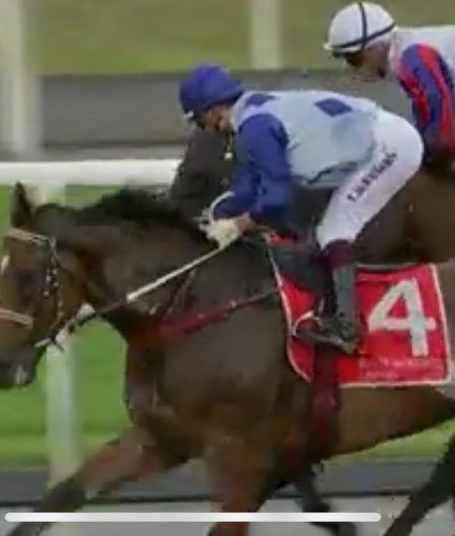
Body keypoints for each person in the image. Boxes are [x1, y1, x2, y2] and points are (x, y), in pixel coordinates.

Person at [178, 62, 424, 354]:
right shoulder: (251, 115)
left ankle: (347, 329)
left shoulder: (254, 127)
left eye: (200, 122)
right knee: (325, 230)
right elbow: (250, 185)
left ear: (211, 112)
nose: (205, 129)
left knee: (335, 230)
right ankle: (332, 305)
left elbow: (277, 197)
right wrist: (214, 216)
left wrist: (240, 224)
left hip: (389, 148)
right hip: (379, 136)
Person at [323, 1, 455, 173]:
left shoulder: (411, 57)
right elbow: (428, 113)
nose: (352, 69)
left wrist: (436, 156)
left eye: (353, 59)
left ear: (373, 47)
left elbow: (438, 103)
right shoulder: (403, 55)